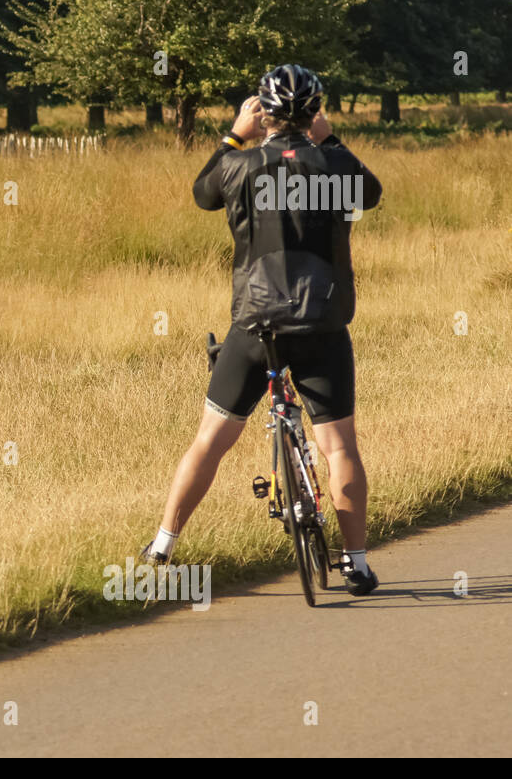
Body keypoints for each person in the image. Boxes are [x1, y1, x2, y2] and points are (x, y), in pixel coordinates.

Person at [139, 64, 383, 595]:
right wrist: (331, 139)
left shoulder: (242, 165)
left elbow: (204, 193)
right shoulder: (333, 164)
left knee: (211, 439)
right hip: (322, 322)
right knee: (339, 448)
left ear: (264, 113)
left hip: (256, 324)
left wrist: (234, 133)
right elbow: (370, 194)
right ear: (314, 112)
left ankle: (162, 544)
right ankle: (357, 563)